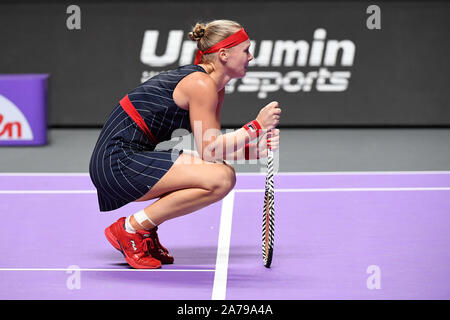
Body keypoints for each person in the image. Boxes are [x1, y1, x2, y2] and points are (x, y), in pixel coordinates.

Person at [89, 19, 281, 269]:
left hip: (133, 156)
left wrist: (251, 151)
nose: (251, 56)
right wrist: (256, 125)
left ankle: (143, 231)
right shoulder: (200, 84)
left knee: (219, 172)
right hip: (116, 163)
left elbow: (209, 149)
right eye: (245, 50)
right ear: (224, 54)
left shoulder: (213, 86)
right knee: (222, 179)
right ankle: (131, 229)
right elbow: (210, 149)